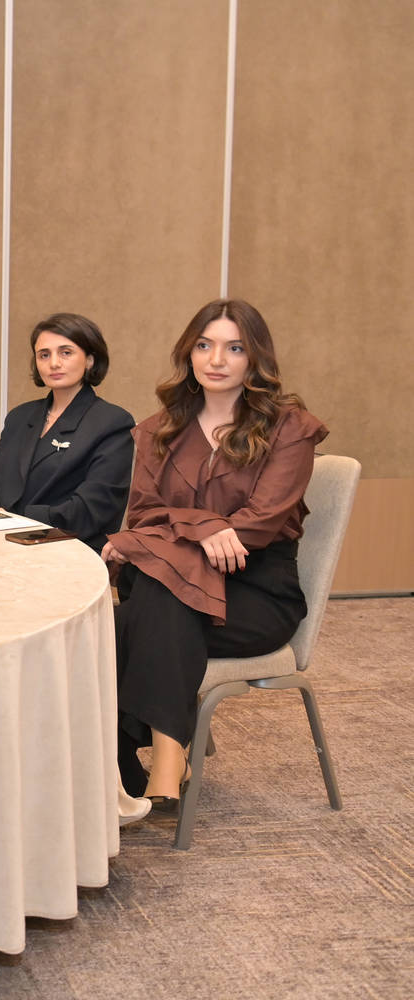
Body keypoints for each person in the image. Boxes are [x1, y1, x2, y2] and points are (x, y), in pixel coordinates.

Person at [102, 299, 327, 809]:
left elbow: (258, 524)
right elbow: (143, 515)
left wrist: (170, 533)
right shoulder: (159, 429)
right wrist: (203, 527)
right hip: (172, 592)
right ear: (189, 353)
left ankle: (144, 765)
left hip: (254, 593)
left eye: (234, 348)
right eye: (204, 345)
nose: (217, 359)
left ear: (255, 358)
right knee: (140, 607)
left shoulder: (289, 428)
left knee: (135, 615)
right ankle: (162, 762)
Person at [0, 313, 134, 551]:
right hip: (1, 545)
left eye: (66, 352)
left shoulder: (112, 422)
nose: (54, 363)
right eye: (44, 355)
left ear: (90, 359)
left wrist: (12, 519)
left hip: (69, 550)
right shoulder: (19, 417)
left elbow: (92, 510)